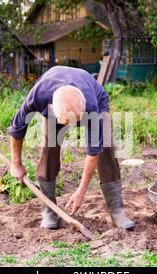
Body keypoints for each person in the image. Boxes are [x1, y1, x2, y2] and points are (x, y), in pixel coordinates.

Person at [7, 66, 135, 230]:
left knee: (106, 148)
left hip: (94, 101)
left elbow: (93, 151)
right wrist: (16, 163)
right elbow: (17, 128)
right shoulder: (38, 95)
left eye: (77, 121)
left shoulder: (91, 105)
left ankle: (117, 212)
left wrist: (80, 192)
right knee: (49, 148)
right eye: (68, 123)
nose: (73, 127)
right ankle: (49, 210)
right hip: (55, 103)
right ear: (53, 109)